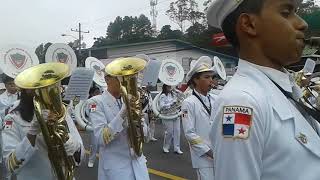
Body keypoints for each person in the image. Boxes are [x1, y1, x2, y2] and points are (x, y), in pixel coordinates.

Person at [207, 0, 320, 180]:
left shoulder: (286, 88)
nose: (302, 23)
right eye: (286, 12)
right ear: (249, 24)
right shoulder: (240, 102)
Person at [2, 89, 84, 180]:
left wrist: (68, 143)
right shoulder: (12, 118)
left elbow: (79, 154)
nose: (42, 90)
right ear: (25, 89)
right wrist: (32, 133)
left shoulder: (60, 112)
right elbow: (10, 165)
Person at [87, 73, 150, 180]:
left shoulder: (127, 100)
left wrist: (140, 124)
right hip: (116, 169)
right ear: (107, 79)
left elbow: (146, 138)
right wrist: (123, 112)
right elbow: (101, 138)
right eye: (119, 77)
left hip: (139, 165)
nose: (124, 81)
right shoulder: (95, 102)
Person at [181, 56, 219, 180]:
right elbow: (189, 133)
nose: (211, 81)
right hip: (204, 158)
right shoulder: (188, 103)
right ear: (196, 80)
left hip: (220, 154)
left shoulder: (216, 99)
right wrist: (209, 152)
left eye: (212, 77)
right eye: (206, 77)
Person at [159, 84, 183, 154]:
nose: (170, 88)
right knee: (169, 132)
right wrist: (171, 104)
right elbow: (161, 106)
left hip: (176, 114)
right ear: (165, 88)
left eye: (170, 86)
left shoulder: (173, 94)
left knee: (177, 132)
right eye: (168, 87)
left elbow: (180, 98)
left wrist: (176, 91)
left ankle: (177, 148)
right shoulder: (163, 96)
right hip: (168, 116)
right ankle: (166, 147)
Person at [87, 85, 101, 168]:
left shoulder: (101, 100)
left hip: (103, 124)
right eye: (96, 93)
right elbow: (93, 112)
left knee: (104, 144)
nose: (98, 94)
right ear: (92, 94)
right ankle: (91, 160)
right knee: (94, 144)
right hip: (93, 126)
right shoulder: (91, 101)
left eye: (99, 92)